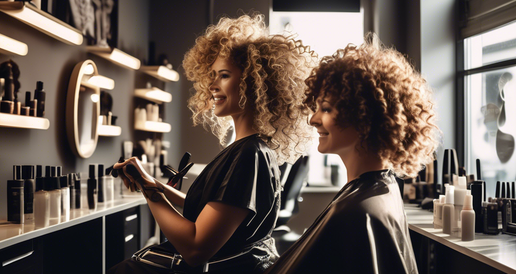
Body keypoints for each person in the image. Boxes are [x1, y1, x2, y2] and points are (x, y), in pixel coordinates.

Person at [108, 14, 316, 273]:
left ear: (254, 84)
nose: (212, 86)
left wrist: (149, 193)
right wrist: (151, 183)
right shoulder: (249, 148)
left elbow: (196, 248)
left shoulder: (249, 155)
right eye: (213, 75)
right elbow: (212, 210)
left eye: (224, 75)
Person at [265, 33, 440, 274]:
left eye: (325, 109)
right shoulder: (381, 188)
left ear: (363, 116)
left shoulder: (357, 212)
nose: (314, 119)